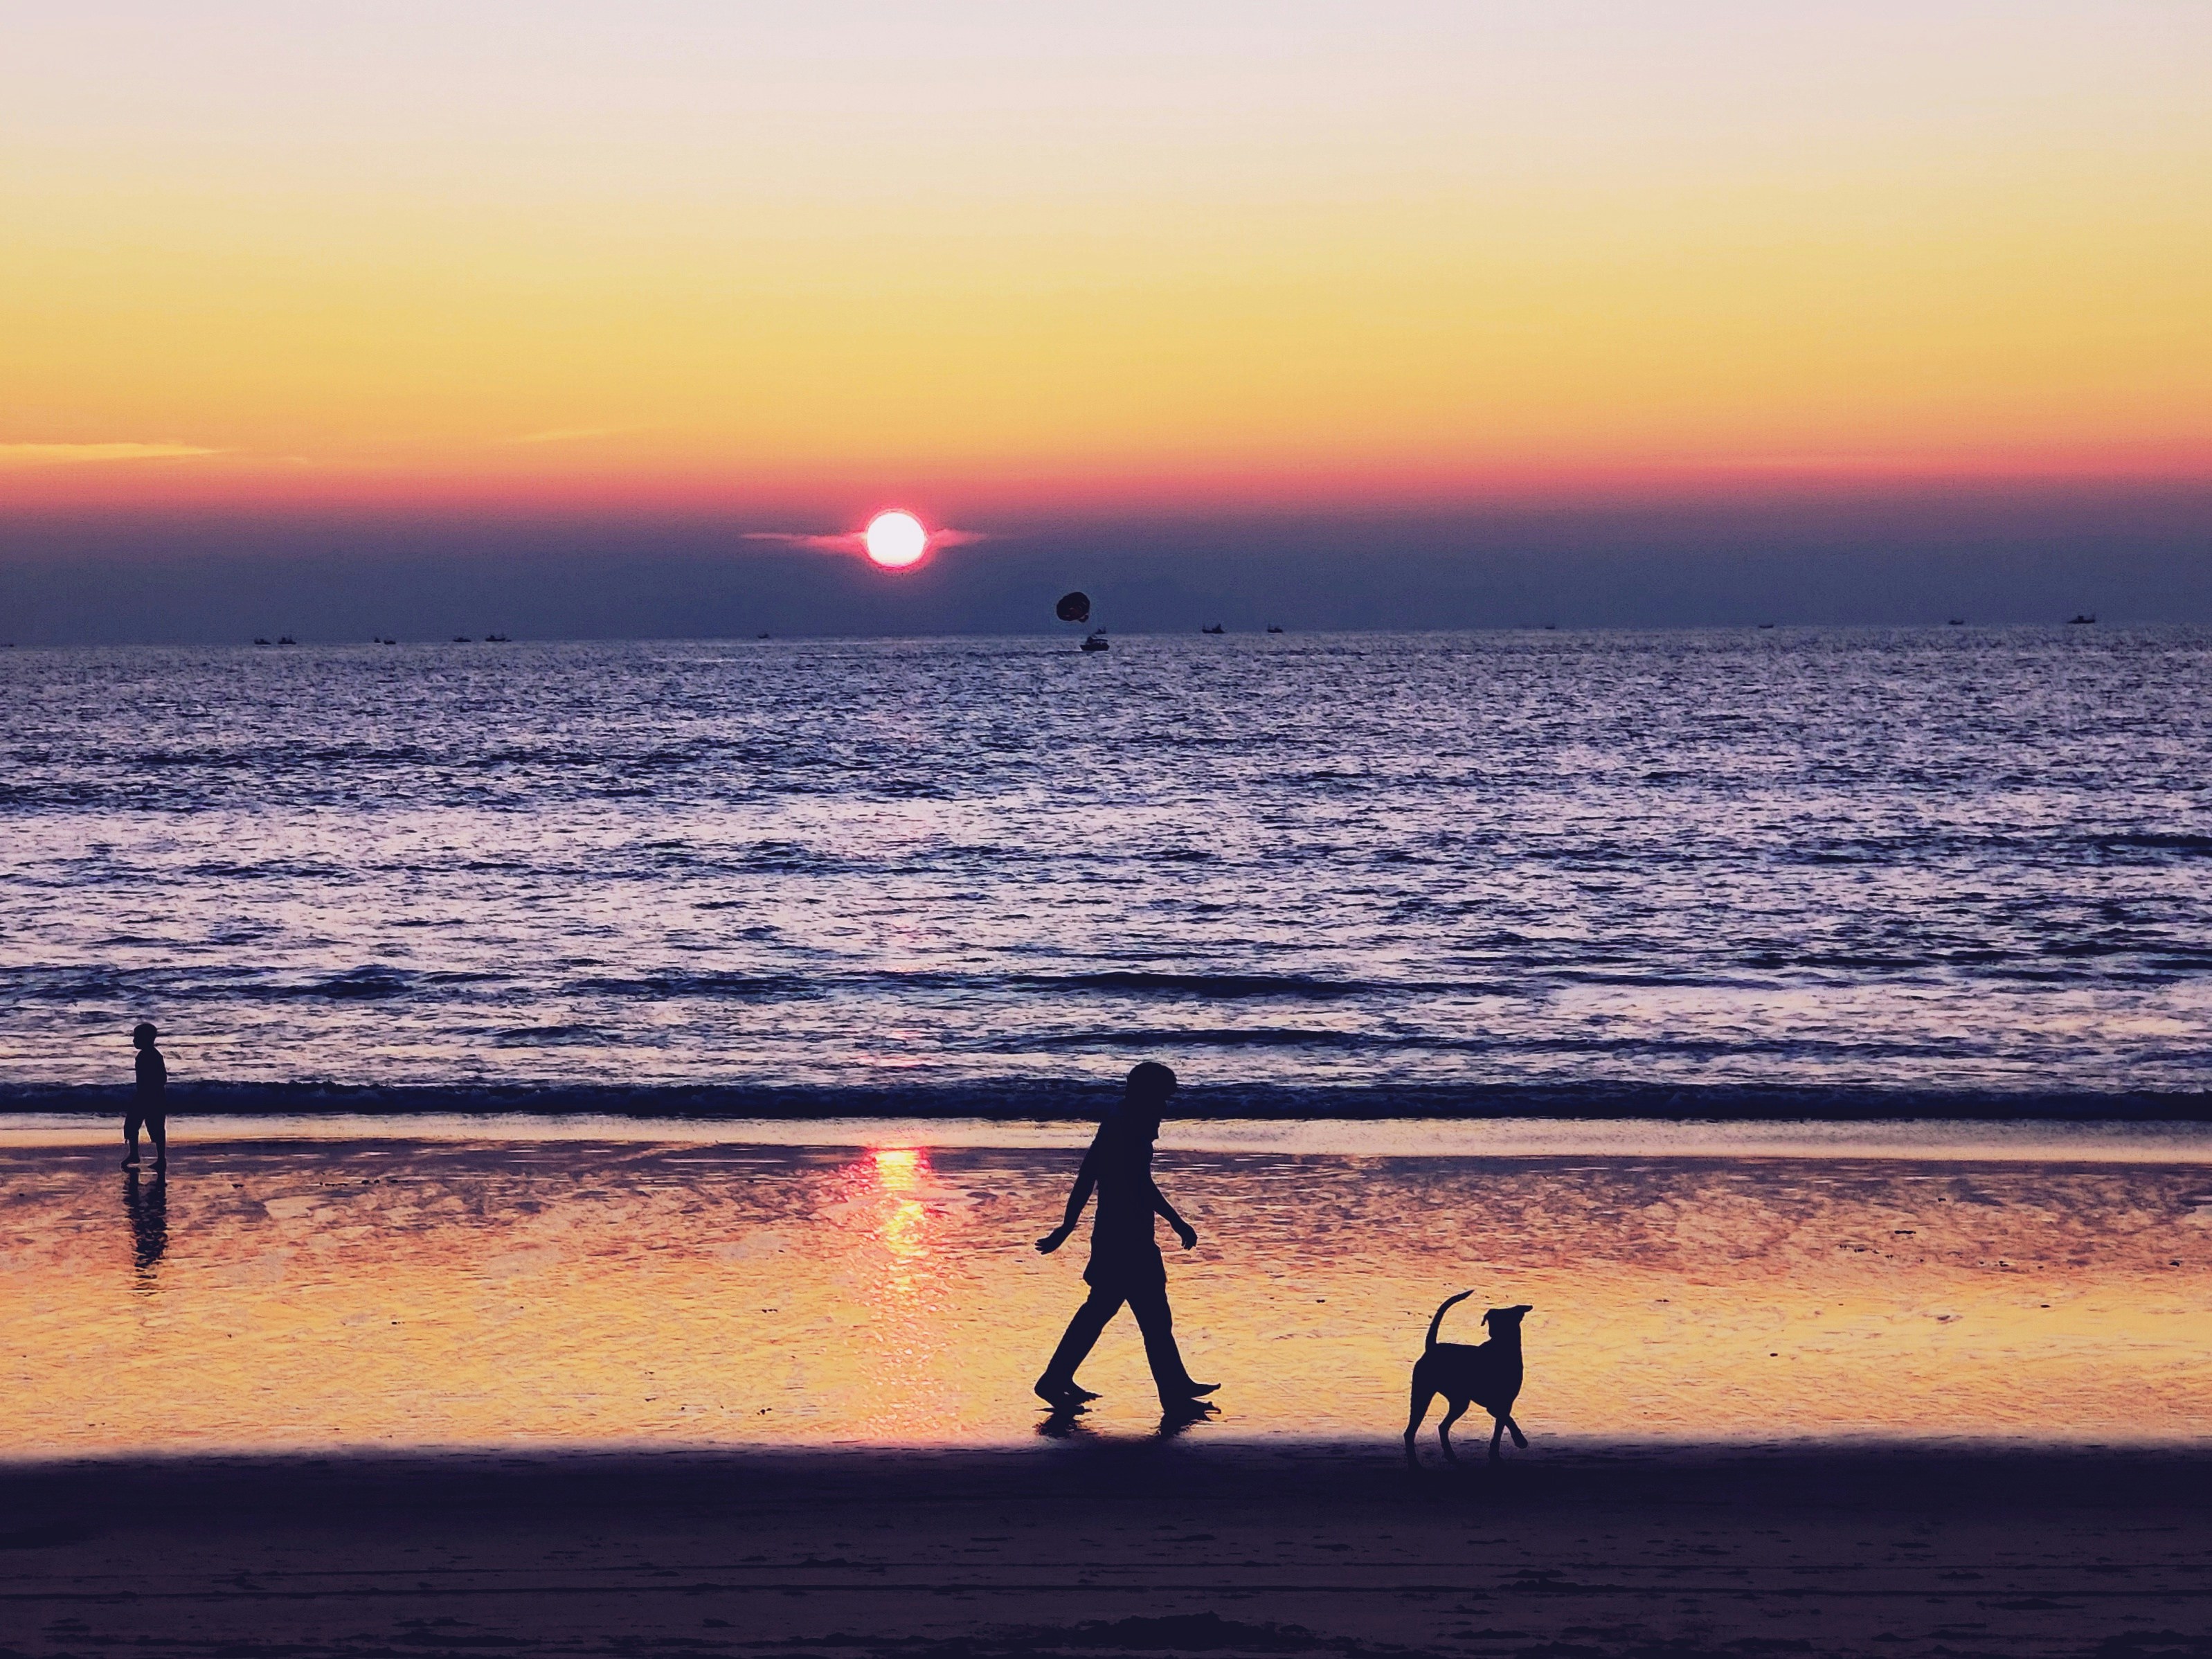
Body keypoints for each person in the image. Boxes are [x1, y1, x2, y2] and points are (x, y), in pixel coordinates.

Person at [1034, 1061, 1218, 1416]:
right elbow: (1139, 1184)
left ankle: (1058, 1379)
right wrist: (1178, 1222)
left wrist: (1068, 1226)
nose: (1165, 1107)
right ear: (1147, 1094)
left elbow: (1088, 1173)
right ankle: (1173, 1390)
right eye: (1163, 1098)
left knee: (1116, 1312)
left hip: (1115, 1234)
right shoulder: (1129, 1124)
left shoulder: (1118, 1118)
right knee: (1145, 1316)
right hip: (1127, 1238)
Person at [125, 1022, 167, 1172]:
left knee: (156, 1128)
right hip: (145, 1095)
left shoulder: (154, 1056)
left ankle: (161, 1158)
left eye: (136, 1038)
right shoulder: (143, 1056)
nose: (134, 1041)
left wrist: (149, 1090)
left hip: (152, 1096)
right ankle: (134, 1154)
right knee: (132, 1125)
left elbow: (162, 1078)